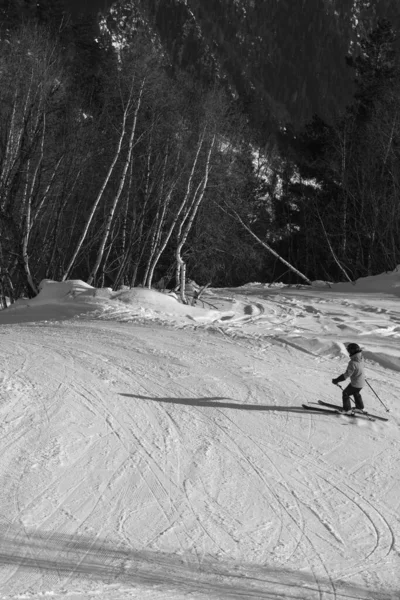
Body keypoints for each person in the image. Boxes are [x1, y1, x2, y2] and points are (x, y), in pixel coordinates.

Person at [332, 343, 365, 413]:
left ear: (352, 351)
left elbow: (346, 375)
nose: (349, 352)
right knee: (356, 392)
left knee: (345, 393)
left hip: (356, 383)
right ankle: (359, 408)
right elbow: (360, 368)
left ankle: (347, 410)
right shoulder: (361, 358)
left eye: (349, 350)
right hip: (361, 382)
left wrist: (336, 380)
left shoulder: (352, 363)